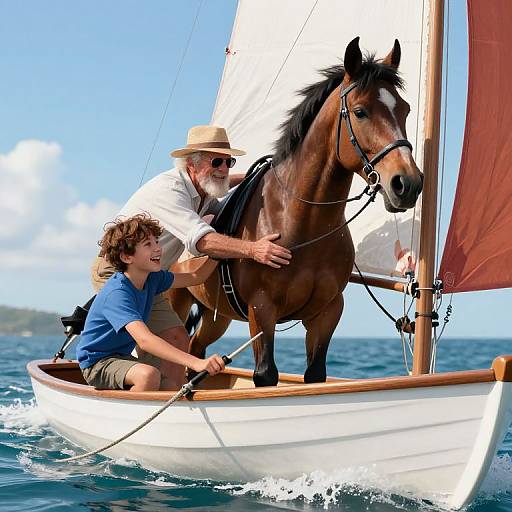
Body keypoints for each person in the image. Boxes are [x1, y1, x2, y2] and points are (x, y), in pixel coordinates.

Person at [91, 125, 292, 386]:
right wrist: (254, 250)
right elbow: (203, 240)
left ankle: (170, 397)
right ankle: (140, 394)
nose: (224, 169)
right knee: (147, 344)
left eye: (228, 162)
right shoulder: (169, 190)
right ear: (191, 164)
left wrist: (259, 175)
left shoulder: (204, 189)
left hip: (152, 278)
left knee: (177, 338)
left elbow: (223, 184)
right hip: (118, 271)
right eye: (216, 161)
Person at [78, 214, 225, 391]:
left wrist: (219, 253)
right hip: (97, 364)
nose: (158, 248)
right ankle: (129, 418)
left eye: (156, 241)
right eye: (148, 244)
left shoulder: (153, 279)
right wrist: (196, 363)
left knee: (170, 387)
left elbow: (196, 277)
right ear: (126, 257)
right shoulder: (117, 293)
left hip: (123, 358)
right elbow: (145, 340)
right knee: (148, 375)